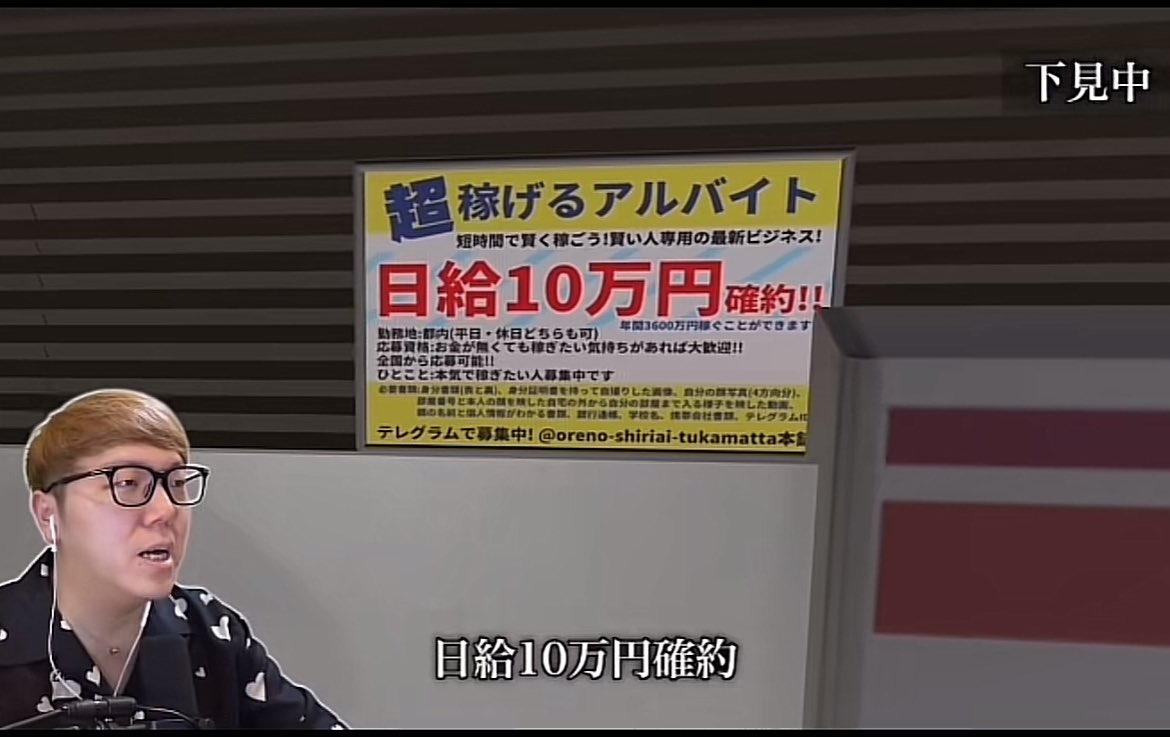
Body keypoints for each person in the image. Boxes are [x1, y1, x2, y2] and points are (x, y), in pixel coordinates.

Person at [0, 388, 347, 729]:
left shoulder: (210, 631)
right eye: (128, 483)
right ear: (49, 515)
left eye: (177, 483)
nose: (166, 510)